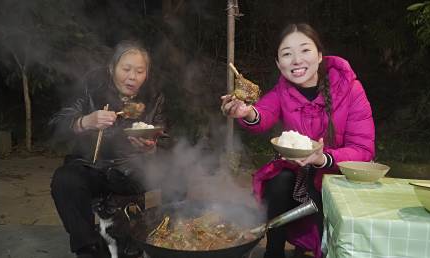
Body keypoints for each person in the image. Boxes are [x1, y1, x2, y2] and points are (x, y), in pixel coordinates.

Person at [220, 23, 375, 258]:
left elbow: (363, 149)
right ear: (278, 63)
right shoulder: (283, 91)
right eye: (286, 54)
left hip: (339, 174)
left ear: (320, 55)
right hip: (301, 173)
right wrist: (247, 113)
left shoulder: (350, 89)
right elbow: (263, 113)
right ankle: (273, 253)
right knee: (278, 181)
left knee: (321, 192)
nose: (296, 60)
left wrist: (323, 158)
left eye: (304, 50)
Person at [49, 40, 184, 258]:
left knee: (177, 175)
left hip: (135, 169)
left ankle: (164, 238)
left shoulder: (153, 96)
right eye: (126, 69)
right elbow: (57, 123)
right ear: (112, 69)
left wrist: (152, 147)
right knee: (65, 181)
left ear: (146, 74)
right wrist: (85, 121)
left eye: (139, 71)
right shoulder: (91, 87)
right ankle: (89, 248)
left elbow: (167, 139)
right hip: (92, 166)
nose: (132, 77)